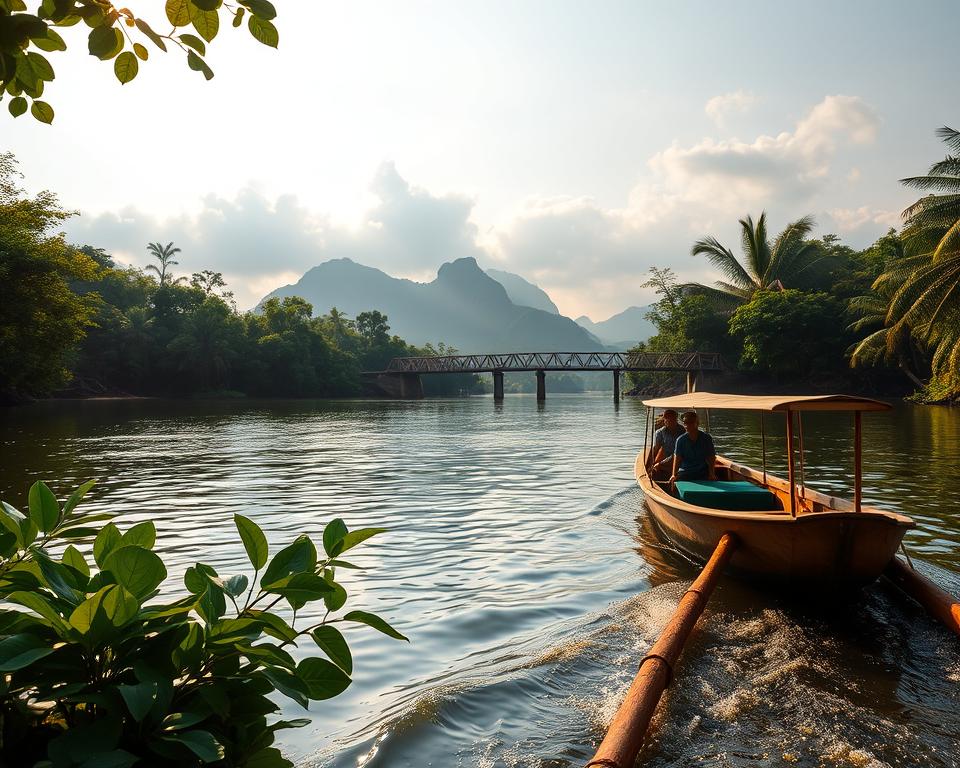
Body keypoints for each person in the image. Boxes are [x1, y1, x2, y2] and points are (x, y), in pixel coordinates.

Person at [670, 410, 716, 483]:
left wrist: (712, 473)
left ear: (697, 423)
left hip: (702, 471)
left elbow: (711, 456)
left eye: (690, 423)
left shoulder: (706, 438)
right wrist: (673, 475)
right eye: (685, 423)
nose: (687, 426)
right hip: (685, 472)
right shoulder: (680, 440)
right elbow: (677, 458)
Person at [650, 409, 683, 478]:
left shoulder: (682, 430)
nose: (671, 423)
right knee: (654, 471)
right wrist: (651, 462)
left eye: (673, 420)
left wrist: (660, 464)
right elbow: (656, 448)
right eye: (668, 420)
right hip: (667, 459)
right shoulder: (660, 432)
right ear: (664, 420)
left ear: (676, 419)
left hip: (680, 458)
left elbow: (680, 453)